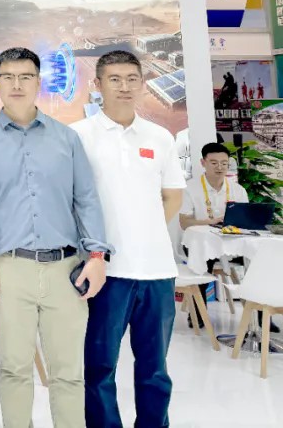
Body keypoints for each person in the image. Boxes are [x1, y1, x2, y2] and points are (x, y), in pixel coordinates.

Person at [0, 47, 111, 428]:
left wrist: (97, 257)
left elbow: (86, 199)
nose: (17, 84)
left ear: (38, 82)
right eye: (8, 77)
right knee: (14, 368)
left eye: (25, 76)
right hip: (9, 268)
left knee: (68, 372)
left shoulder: (66, 138)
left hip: (65, 269)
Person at [70, 51, 185, 428]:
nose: (124, 86)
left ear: (142, 84)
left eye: (132, 78)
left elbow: (172, 196)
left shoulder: (160, 137)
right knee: (99, 366)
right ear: (98, 84)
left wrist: (143, 228)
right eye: (114, 79)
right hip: (105, 272)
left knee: (155, 368)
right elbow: (69, 200)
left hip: (157, 272)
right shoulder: (78, 136)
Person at [179, 142, 250, 325]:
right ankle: (198, 313)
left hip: (231, 241)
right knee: (203, 260)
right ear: (203, 163)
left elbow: (246, 220)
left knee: (255, 260)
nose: (220, 167)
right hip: (201, 241)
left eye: (224, 163)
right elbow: (184, 222)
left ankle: (257, 315)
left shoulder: (238, 190)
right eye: (214, 163)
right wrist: (210, 221)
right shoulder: (190, 188)